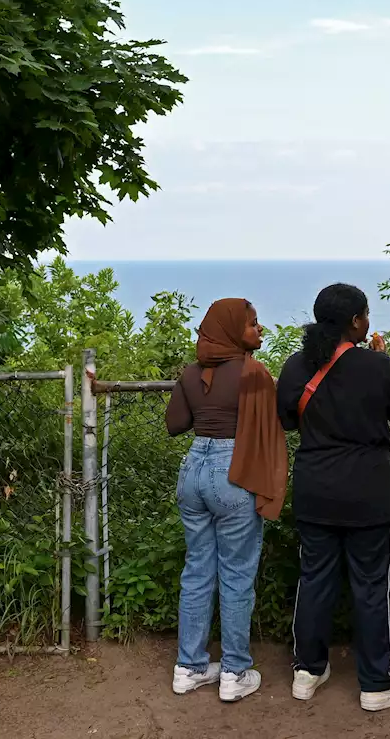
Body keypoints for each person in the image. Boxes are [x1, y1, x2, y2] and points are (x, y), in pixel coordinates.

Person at [276, 283, 390, 713]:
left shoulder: (296, 366)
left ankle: (308, 670)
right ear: (357, 322)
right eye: (366, 314)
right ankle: (376, 683)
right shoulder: (376, 365)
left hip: (315, 487)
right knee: (372, 585)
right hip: (368, 492)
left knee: (315, 579)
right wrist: (382, 360)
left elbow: (286, 420)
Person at [165, 298, 289, 703]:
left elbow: (175, 424)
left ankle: (189, 667)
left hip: (193, 472)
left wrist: (200, 398)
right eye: (253, 324)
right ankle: (235, 672)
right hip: (233, 472)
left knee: (197, 570)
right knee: (235, 575)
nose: (260, 330)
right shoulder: (254, 373)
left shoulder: (190, 373)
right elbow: (273, 426)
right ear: (233, 329)